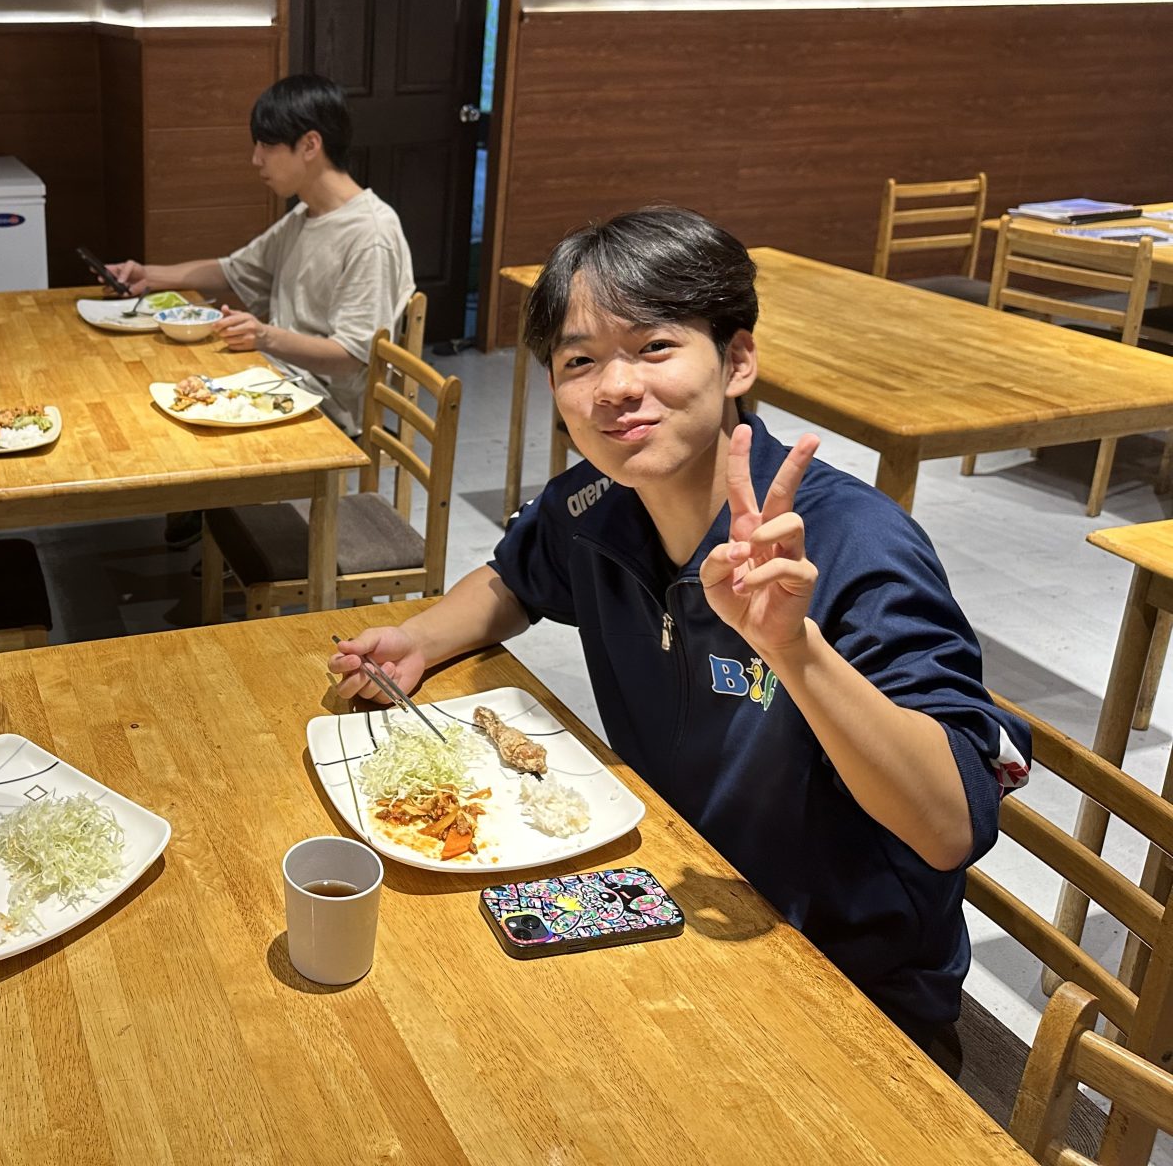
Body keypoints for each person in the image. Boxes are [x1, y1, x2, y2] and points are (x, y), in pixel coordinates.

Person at [329, 205, 1030, 1069]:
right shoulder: (597, 501)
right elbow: (513, 578)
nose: (615, 387)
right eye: (580, 361)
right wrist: (419, 638)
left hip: (844, 989)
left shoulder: (852, 544)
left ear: (737, 360)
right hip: (662, 896)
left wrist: (796, 651)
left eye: (654, 346)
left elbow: (951, 824)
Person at [110, 73, 417, 435]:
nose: (256, 159)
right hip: (278, 378)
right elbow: (233, 270)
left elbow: (351, 357)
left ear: (310, 145)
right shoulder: (305, 215)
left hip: (328, 413)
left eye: (267, 145)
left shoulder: (371, 233)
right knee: (155, 388)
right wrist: (148, 275)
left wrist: (264, 336)